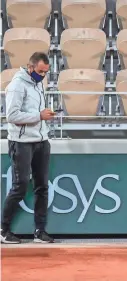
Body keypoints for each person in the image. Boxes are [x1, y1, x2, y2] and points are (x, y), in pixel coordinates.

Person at [1, 52, 55, 244]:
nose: (43, 75)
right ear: (30, 67)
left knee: (42, 187)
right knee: (20, 187)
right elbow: (12, 116)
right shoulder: (16, 86)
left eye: (46, 72)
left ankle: (40, 231)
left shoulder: (39, 83)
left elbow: (34, 112)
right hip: (21, 143)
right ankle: (3, 230)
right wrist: (39, 116)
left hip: (41, 141)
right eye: (40, 71)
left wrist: (44, 117)